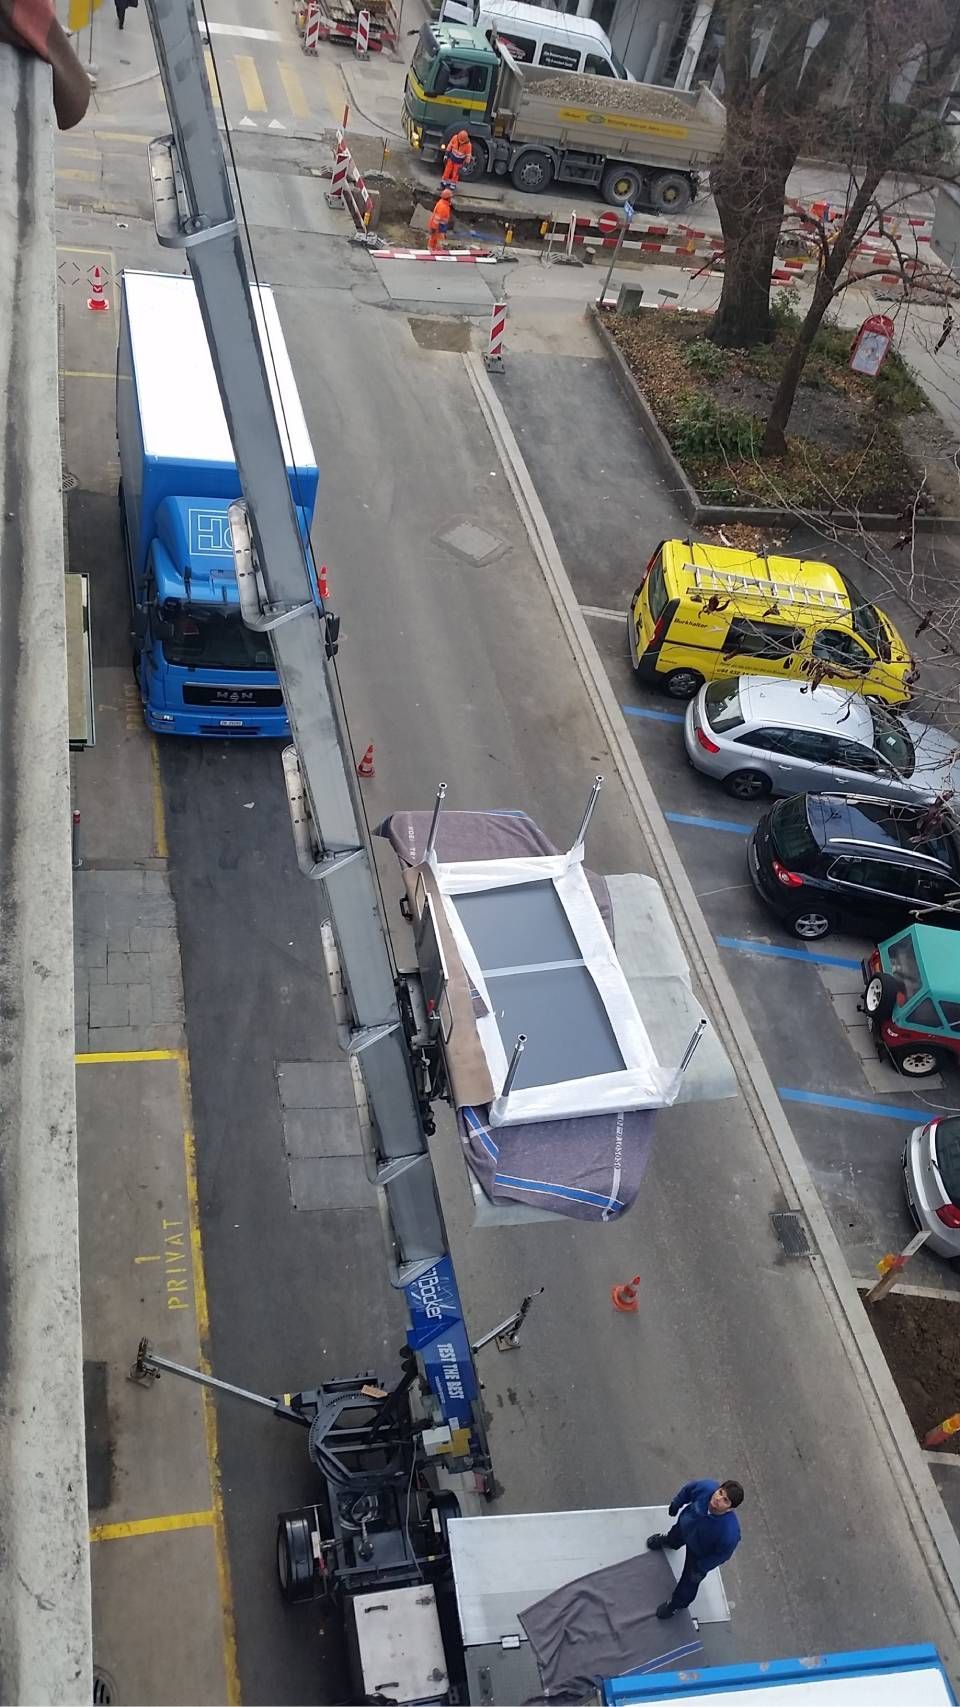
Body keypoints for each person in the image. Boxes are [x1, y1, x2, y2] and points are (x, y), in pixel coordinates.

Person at [647, 1477, 743, 1620]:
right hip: (683, 1528)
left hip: (699, 1554)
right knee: (673, 1537)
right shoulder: (706, 1487)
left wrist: (701, 1567)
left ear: (730, 1508)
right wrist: (676, 1503)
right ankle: (668, 1541)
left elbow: (721, 1555)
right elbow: (688, 1490)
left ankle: (675, 1605)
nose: (718, 1499)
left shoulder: (729, 1533)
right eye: (720, 1492)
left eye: (725, 1500)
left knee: (688, 1584)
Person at [427, 187, 454, 253]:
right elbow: (437, 218)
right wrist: (434, 228)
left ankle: (432, 251)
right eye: (450, 197)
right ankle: (436, 253)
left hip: (438, 226)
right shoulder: (443, 207)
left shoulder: (443, 203)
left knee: (434, 240)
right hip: (438, 227)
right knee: (438, 241)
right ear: (448, 198)